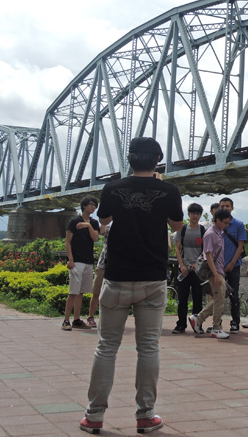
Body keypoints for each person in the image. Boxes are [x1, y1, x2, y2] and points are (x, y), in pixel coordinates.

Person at [79, 137, 184, 435]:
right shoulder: (168, 190)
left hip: (117, 276)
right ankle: (145, 416)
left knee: (106, 347)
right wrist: (159, 186)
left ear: (129, 159)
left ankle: (94, 417)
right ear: (158, 160)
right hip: (152, 278)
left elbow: (105, 220)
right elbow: (177, 226)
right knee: (148, 347)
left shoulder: (113, 188)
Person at [189, 208, 233, 339]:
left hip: (219, 270)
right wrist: (215, 274)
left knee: (219, 298)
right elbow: (207, 254)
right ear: (217, 220)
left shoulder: (219, 232)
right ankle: (216, 328)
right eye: (225, 222)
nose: (226, 225)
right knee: (219, 299)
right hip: (215, 271)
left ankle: (199, 318)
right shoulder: (210, 234)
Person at [62, 196, 100, 331]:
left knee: (81, 292)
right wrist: (70, 259)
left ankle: (76, 320)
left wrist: (88, 225)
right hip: (77, 260)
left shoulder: (94, 223)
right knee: (73, 291)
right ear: (84, 206)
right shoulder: (74, 222)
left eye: (95, 205)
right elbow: (67, 242)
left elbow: (95, 238)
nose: (93, 207)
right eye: (91, 205)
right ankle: (66, 320)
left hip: (89, 261)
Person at [172, 203, 206, 334]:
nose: (195, 216)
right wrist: (181, 265)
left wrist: (198, 264)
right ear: (189, 214)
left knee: (198, 299)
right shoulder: (183, 229)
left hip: (198, 271)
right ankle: (181, 324)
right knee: (182, 298)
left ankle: (197, 324)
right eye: (193, 213)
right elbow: (177, 248)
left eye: (197, 214)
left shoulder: (203, 231)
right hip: (184, 270)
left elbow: (205, 250)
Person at [218, 197, 247, 334]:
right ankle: (217, 322)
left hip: (234, 266)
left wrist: (231, 263)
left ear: (232, 208)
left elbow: (240, 246)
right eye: (222, 206)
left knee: (234, 294)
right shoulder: (216, 224)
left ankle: (235, 322)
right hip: (218, 266)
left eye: (227, 206)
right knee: (217, 294)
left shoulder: (238, 224)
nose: (225, 208)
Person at [86, 223, 110, 327]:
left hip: (118, 266)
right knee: (96, 292)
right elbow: (102, 230)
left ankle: (109, 318)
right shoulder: (109, 227)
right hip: (103, 264)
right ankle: (91, 316)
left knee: (113, 294)